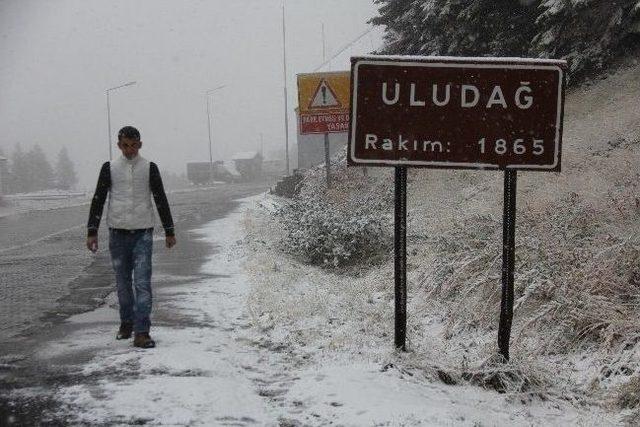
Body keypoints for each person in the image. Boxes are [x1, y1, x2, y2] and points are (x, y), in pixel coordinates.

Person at [86, 126, 176, 349]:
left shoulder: (149, 168)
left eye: (133, 145)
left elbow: (160, 198)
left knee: (142, 283)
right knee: (123, 283)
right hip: (117, 234)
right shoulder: (110, 169)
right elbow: (98, 199)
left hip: (142, 234)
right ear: (119, 145)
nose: (129, 150)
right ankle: (126, 322)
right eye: (125, 145)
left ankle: (142, 331)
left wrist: (169, 230)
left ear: (140, 144)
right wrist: (92, 231)